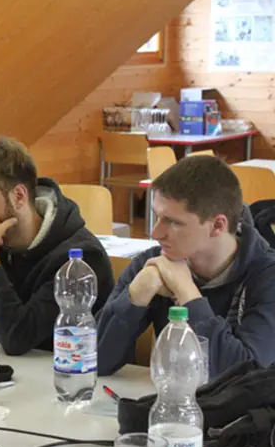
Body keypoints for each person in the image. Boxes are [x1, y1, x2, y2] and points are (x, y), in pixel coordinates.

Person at [0, 137, 114, 355]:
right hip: (15, 371)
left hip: (71, 371)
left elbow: (17, 339)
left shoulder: (81, 258)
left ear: (18, 196)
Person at [97, 155, 275, 378]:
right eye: (157, 217)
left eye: (173, 222)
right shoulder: (153, 264)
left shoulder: (267, 275)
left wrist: (187, 293)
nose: (155, 233)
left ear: (217, 225)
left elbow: (248, 377)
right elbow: (94, 361)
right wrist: (135, 296)